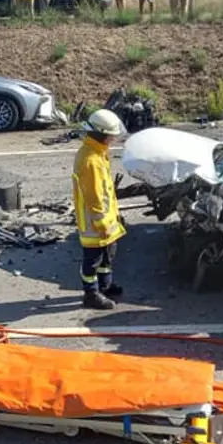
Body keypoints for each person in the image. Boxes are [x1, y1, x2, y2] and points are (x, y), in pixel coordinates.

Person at [73, 109, 127, 310]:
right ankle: (91, 293)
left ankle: (105, 285)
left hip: (105, 218)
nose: (113, 139)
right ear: (101, 134)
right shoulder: (90, 160)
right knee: (92, 259)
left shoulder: (97, 152)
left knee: (107, 254)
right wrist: (101, 222)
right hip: (94, 222)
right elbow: (94, 196)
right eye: (111, 136)